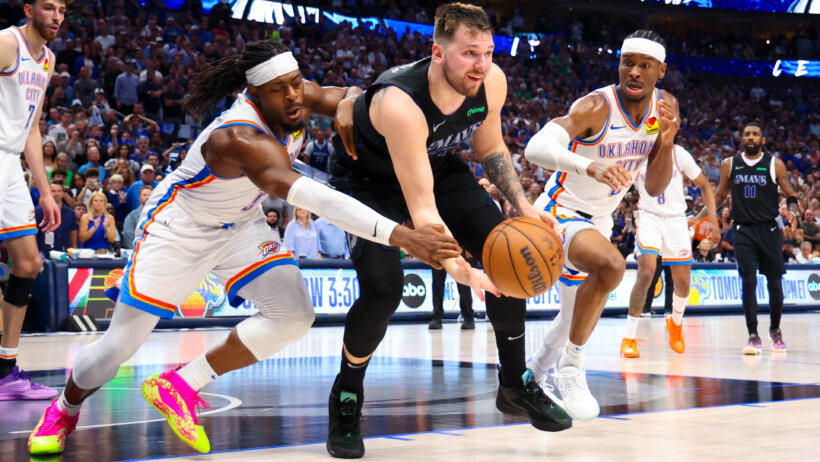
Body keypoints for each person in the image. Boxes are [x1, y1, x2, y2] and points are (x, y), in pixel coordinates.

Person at [28, 38, 461, 456]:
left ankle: (180, 384)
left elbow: (360, 97)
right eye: (280, 89)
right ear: (253, 92)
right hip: (180, 228)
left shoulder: (296, 95)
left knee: (293, 315)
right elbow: (314, 197)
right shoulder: (236, 136)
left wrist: (349, 99)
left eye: (297, 82)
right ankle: (62, 411)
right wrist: (402, 236)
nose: (295, 96)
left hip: (241, 223)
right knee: (118, 348)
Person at [327, 5, 570, 458]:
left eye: (488, 52)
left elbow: (490, 146)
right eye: (469, 53)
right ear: (437, 52)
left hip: (438, 165)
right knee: (383, 290)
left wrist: (522, 205)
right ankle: (347, 393)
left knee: (507, 252)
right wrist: (458, 268)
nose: (481, 64)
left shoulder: (490, 81)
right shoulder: (401, 103)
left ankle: (514, 383)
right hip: (367, 182)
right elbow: (422, 211)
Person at [524, 30, 679, 421]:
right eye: (629, 62)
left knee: (570, 318)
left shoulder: (664, 110)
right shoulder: (595, 106)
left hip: (601, 219)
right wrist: (587, 163)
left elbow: (656, 186)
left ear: (661, 71)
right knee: (611, 266)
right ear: (620, 64)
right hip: (560, 210)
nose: (635, 72)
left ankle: (531, 376)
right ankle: (573, 369)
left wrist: (668, 140)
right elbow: (535, 148)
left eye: (646, 65)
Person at [0, 0, 64, 401]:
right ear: (28, 9)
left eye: (61, 9)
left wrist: (45, 191)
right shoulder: (7, 44)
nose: (56, 16)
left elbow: (32, 128)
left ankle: (6, 371)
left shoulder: (47, 60)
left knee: (28, 262)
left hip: (9, 164)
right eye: (48, 7)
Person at [696, 122, 800, 355]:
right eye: (746, 134)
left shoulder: (774, 164)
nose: (750, 137)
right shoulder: (729, 164)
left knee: (774, 284)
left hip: (770, 230)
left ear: (763, 140)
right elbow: (720, 196)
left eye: (755, 134)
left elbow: (790, 193)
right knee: (748, 282)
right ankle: (753, 335)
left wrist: (793, 212)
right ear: (741, 139)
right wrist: (698, 218)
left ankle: (775, 330)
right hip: (743, 230)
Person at [620, 144, 718, 358]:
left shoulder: (679, 153)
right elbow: (618, 185)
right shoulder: (637, 153)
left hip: (676, 220)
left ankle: (675, 323)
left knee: (683, 283)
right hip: (649, 217)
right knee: (646, 272)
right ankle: (629, 338)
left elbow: (705, 186)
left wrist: (713, 221)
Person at [429, 251, 475, 330]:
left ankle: (468, 317)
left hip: (458, 247)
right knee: (437, 283)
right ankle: (436, 317)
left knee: (463, 283)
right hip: (439, 247)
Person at [35, 179, 77, 252]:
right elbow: (34, 233)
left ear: (63, 194)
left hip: (64, 252)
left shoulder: (70, 212)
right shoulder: (38, 211)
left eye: (59, 191)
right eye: (53, 191)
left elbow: (73, 234)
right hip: (43, 252)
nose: (56, 193)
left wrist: (74, 250)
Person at [121, 185, 152, 249]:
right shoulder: (131, 217)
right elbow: (128, 238)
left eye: (150, 195)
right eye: (145, 195)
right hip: (138, 251)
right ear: (139, 198)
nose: (147, 197)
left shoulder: (159, 215)